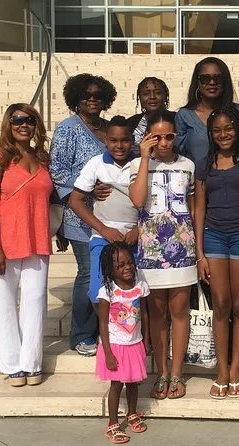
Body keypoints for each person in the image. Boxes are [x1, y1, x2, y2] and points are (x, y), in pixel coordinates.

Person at [194, 105, 239, 399]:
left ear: (238, 130)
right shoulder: (204, 164)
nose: (223, 135)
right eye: (217, 130)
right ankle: (221, 371)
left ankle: (236, 369)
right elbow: (199, 209)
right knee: (220, 303)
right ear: (211, 134)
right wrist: (199, 254)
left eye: (228, 129)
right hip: (213, 237)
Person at [0, 103, 51, 387]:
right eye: (17, 120)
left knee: (35, 301)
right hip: (4, 243)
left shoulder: (42, 158)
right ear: (8, 125)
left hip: (37, 239)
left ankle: (32, 362)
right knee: (5, 303)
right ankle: (11, 363)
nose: (24, 125)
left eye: (30, 120)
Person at [129, 110, 197, 400]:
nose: (164, 142)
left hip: (183, 249)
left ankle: (177, 372)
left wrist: (197, 249)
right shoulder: (137, 164)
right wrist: (145, 158)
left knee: (179, 312)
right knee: (156, 314)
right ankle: (162, 372)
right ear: (148, 137)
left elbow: (193, 209)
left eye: (169, 136)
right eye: (157, 137)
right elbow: (137, 200)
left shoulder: (188, 165)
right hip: (151, 251)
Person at [50, 73, 117, 356]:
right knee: (89, 272)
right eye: (86, 95)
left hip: (111, 215)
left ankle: (109, 330)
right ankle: (81, 333)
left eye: (97, 95)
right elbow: (57, 170)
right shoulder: (68, 129)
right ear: (75, 98)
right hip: (79, 216)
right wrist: (87, 189)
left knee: (109, 272)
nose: (92, 99)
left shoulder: (109, 128)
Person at [68, 115, 139, 313]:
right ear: (105, 140)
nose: (119, 146)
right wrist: (104, 229)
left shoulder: (141, 164)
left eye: (125, 140)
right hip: (103, 237)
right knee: (98, 292)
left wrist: (139, 230)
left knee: (135, 290)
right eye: (113, 140)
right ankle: (106, 329)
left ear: (132, 140)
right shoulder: (96, 163)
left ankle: (131, 331)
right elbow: (75, 200)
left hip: (134, 238)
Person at [95, 242, 149, 443]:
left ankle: (132, 413)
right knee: (117, 385)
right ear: (111, 269)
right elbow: (102, 324)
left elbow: (144, 314)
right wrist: (108, 353)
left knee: (133, 383)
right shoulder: (107, 292)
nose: (127, 267)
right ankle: (112, 423)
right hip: (116, 346)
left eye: (130, 262)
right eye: (120, 265)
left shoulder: (140, 287)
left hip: (135, 343)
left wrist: (147, 340)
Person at [176, 56, 239, 164]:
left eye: (218, 78)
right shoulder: (184, 115)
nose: (212, 82)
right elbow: (179, 155)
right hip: (196, 174)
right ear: (197, 82)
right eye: (205, 78)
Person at [127, 77, 170, 155]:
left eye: (158, 93)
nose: (152, 97)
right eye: (146, 94)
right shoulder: (130, 123)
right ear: (140, 97)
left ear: (165, 96)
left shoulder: (177, 120)